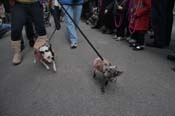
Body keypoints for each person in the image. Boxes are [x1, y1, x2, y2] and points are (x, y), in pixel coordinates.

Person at [9, 0, 48, 65]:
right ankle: (17, 52)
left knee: (40, 27)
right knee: (16, 28)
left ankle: (43, 50)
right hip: (19, 4)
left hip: (35, 2)